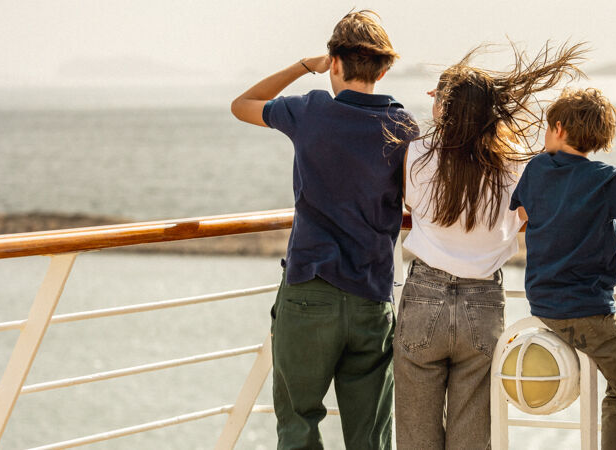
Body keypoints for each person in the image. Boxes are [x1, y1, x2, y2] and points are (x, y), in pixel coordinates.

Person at [229, 10, 417, 450]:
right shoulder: (402, 125)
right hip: (371, 296)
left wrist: (301, 66)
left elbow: (241, 106)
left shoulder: (309, 110)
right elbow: (414, 199)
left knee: (298, 426)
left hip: (309, 291)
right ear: (384, 69)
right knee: (371, 438)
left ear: (334, 62)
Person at [393, 42, 586, 450]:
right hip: (482, 299)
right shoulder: (515, 163)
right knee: (472, 436)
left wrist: (442, 108)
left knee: (414, 434)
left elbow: (411, 202)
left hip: (425, 292)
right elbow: (526, 214)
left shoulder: (420, 154)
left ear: (445, 108)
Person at [510, 87, 616, 449]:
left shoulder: (536, 169)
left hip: (545, 304)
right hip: (590, 313)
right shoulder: (604, 179)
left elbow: (523, 213)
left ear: (559, 128)